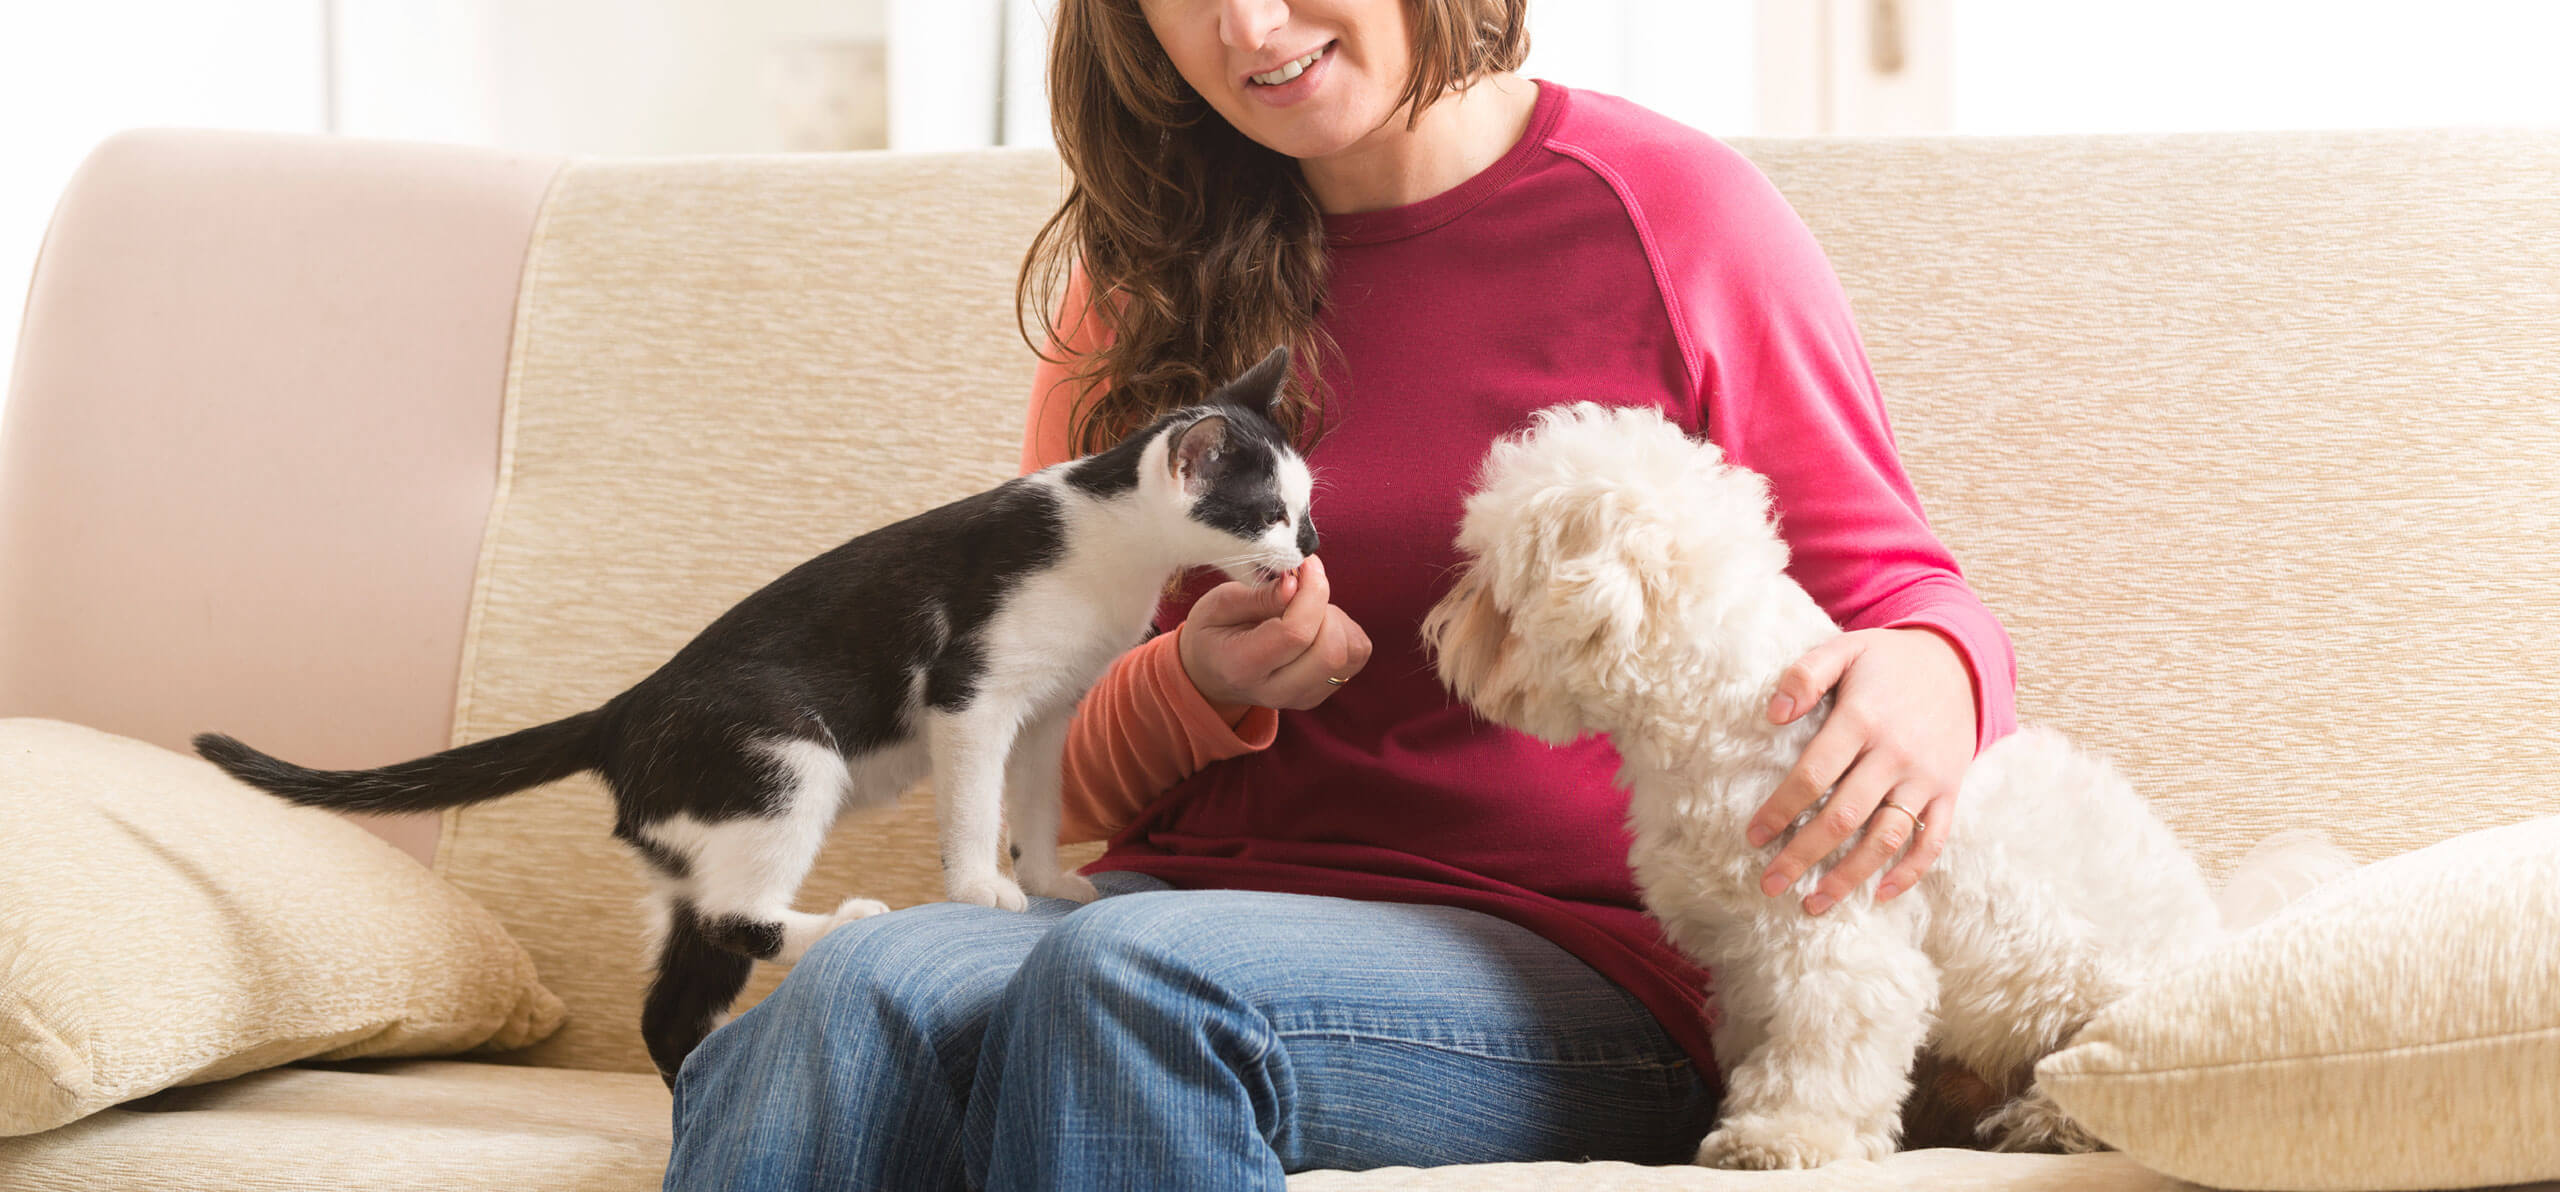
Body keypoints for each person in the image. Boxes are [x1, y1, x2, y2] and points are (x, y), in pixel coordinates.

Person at [663, 1, 2013, 1188]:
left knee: (1135, 986)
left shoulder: (1670, 216)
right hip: (1165, 905)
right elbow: (1037, 779)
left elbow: (1905, 598)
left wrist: (1939, 675)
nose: (1250, 27)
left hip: (1575, 956)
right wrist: (1193, 683)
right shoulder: (1141, 276)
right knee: (857, 985)